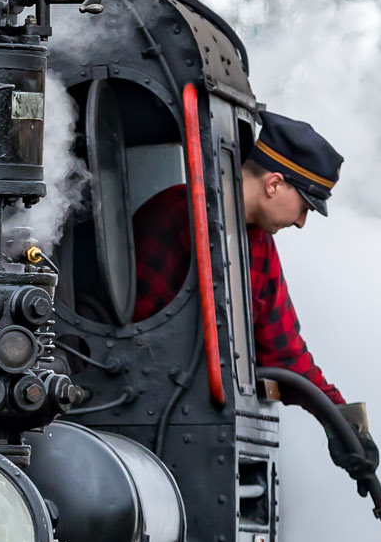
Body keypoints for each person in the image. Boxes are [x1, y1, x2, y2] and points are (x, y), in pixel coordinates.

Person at [130, 114, 349, 406]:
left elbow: (285, 352)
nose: (300, 222)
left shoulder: (259, 242)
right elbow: (139, 330)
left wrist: (340, 415)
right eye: (304, 207)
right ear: (273, 184)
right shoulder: (175, 216)